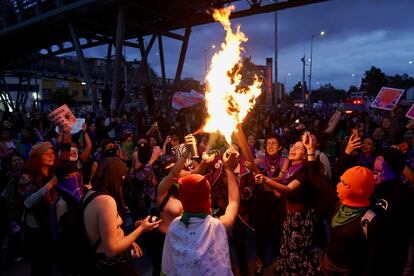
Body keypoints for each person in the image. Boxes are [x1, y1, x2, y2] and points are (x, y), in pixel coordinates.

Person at [303, 132, 396, 275]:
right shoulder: (340, 201)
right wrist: (310, 150)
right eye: (341, 181)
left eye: (345, 184)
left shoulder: (370, 220)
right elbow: (315, 176)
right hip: (328, 262)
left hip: (349, 270)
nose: (338, 186)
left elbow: (373, 258)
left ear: (358, 191)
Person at [161, 147, 240, 275]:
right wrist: (228, 169)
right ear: (208, 198)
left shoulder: (174, 226)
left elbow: (168, 269)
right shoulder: (216, 226)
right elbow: (234, 202)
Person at [83, 156, 160, 275]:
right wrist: (141, 229)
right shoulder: (106, 201)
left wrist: (127, 240)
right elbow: (111, 249)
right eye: (121, 176)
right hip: (110, 266)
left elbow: (107, 232)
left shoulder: (91, 193)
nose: (123, 180)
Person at [255, 139, 321, 275]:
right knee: (288, 247)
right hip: (289, 213)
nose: (294, 149)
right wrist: (266, 179)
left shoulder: (304, 169)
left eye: (299, 148)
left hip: (300, 217)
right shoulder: (290, 165)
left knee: (299, 251)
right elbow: (283, 181)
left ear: (304, 155)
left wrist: (266, 180)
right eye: (293, 146)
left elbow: (289, 189)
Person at [18, 142, 58, 276]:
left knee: (49, 263)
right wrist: (50, 185)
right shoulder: (27, 176)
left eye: (53, 154)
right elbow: (28, 203)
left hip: (51, 223)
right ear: (37, 157)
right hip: (36, 226)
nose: (51, 156)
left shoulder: (53, 172)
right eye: (47, 154)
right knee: (39, 264)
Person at [251, 133, 287, 275]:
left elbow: (281, 178)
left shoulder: (284, 161)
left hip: (277, 202)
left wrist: (266, 180)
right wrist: (249, 165)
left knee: (276, 231)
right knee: (260, 231)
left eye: (274, 143)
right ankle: (259, 261)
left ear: (280, 147)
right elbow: (251, 166)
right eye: (268, 144)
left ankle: (277, 259)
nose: (270, 146)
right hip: (262, 200)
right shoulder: (260, 160)